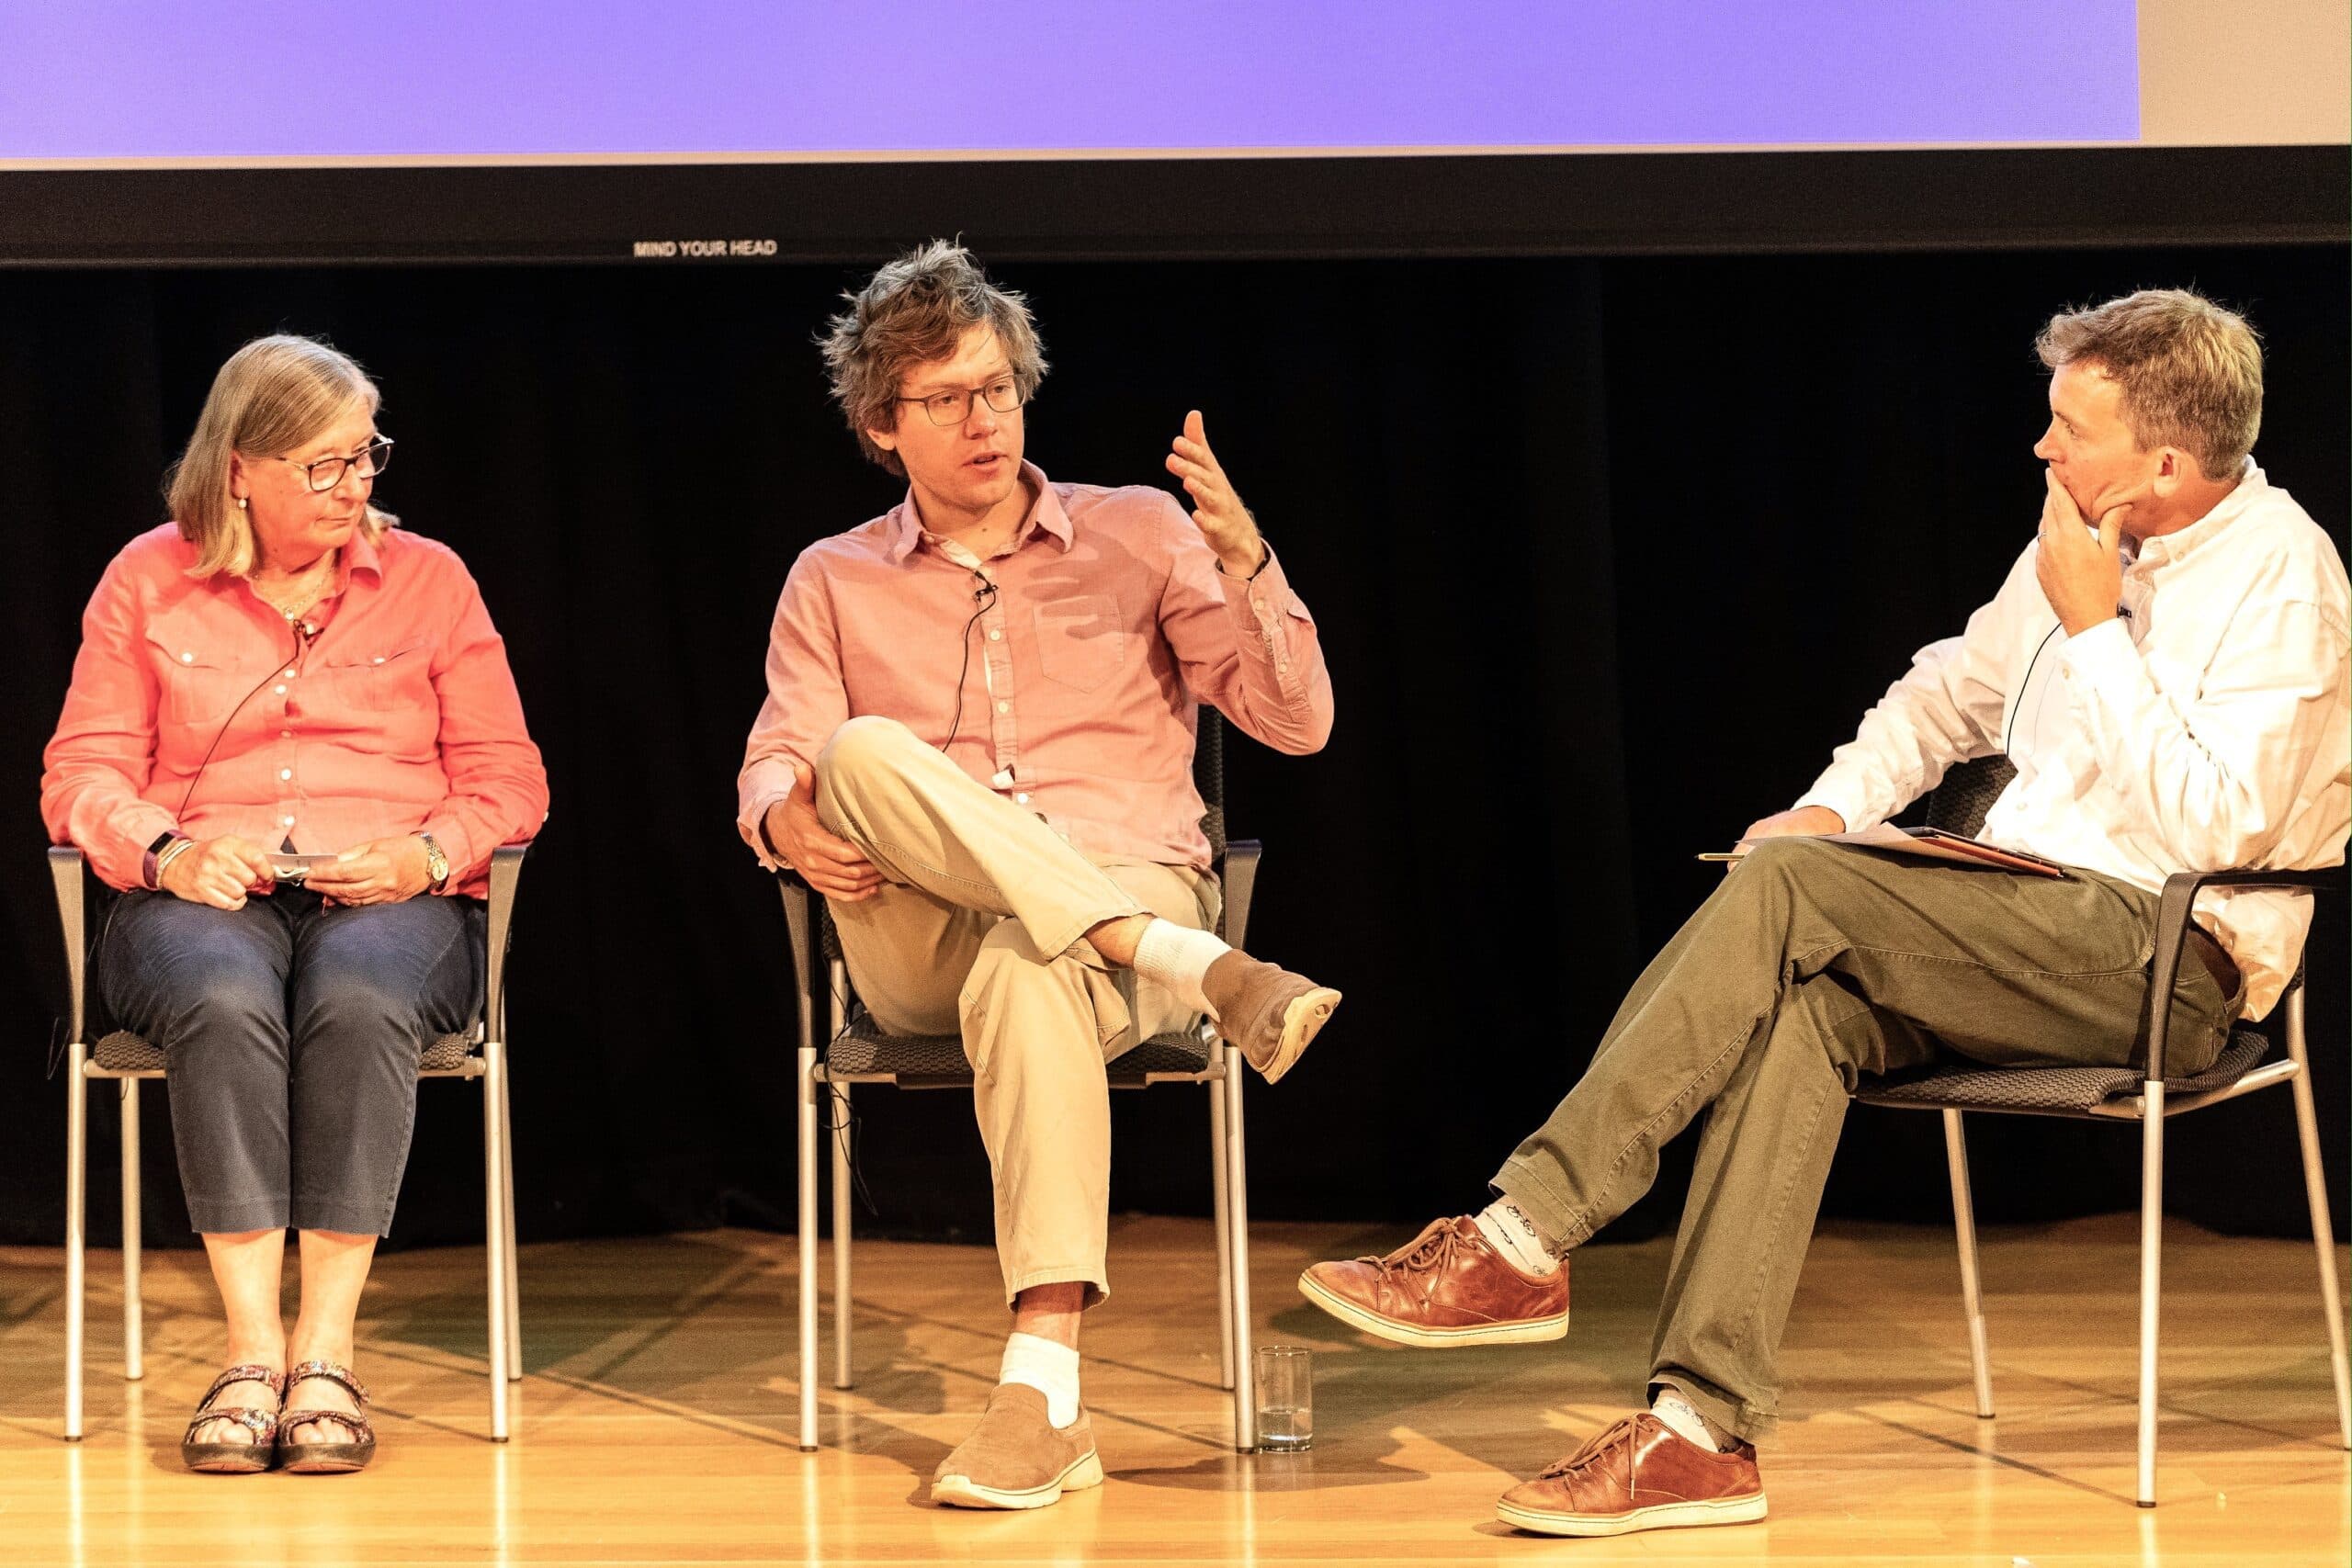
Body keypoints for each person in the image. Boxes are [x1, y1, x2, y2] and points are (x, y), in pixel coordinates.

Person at [1298, 288, 2348, 1538]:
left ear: (2166, 461)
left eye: (2071, 428)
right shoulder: (2076, 544)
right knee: (1801, 1002)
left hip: (2166, 962)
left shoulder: (2284, 576)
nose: (2041, 447)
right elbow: (1943, 694)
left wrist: (2092, 631)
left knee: (1792, 889)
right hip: (2015, 924)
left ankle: (1521, 1237)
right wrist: (1831, 805)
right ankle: (1698, 1432)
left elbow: (2223, 828)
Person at [737, 242, 1340, 1510]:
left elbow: (1296, 724)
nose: (983, 420)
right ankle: (1203, 968)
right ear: (882, 424)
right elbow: (781, 757)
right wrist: (784, 821)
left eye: (999, 389)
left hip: (1124, 882)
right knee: (858, 751)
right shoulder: (832, 575)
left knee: (1032, 962)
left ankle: (1040, 1395)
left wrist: (1249, 563)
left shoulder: (1140, 531)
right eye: (946, 398)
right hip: (917, 931)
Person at [41, 335, 549, 1473]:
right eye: (322, 464)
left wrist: (426, 853)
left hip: (392, 899)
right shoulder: (147, 579)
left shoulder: (430, 579)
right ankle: (249, 1353)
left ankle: (325, 1353)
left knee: (360, 997)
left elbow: (510, 778)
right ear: (238, 470)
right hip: (197, 896)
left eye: (364, 455)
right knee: (223, 998)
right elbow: (80, 772)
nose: (354, 483)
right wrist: (167, 852)